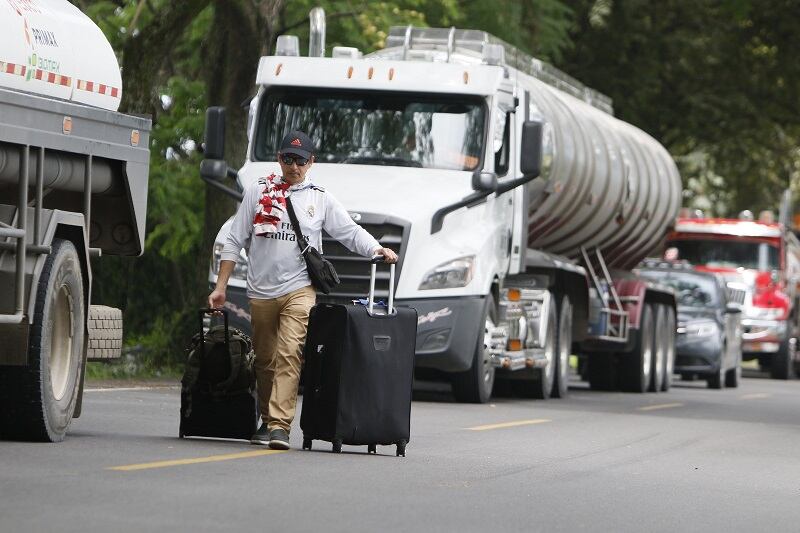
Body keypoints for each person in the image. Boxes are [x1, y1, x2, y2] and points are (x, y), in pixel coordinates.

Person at [207, 130, 398, 450]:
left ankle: (280, 426)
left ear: (311, 163)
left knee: (290, 353)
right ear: (279, 159)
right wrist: (221, 286)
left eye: (300, 161)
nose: (294, 166)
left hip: (300, 288)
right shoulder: (258, 191)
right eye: (288, 159)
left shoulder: (319, 198)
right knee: (265, 360)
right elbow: (234, 239)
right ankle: (267, 419)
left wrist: (376, 249)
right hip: (261, 291)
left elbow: (349, 232)